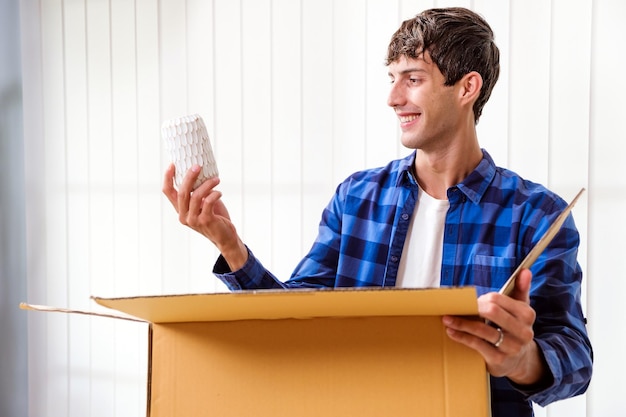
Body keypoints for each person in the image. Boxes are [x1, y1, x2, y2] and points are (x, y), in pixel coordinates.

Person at [162, 7, 592, 416]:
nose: (392, 97)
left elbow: (575, 358)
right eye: (391, 78)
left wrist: (522, 360)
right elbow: (295, 318)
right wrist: (230, 246)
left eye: (413, 78)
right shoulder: (358, 197)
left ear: (467, 87)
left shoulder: (535, 214)